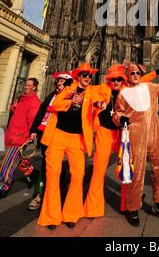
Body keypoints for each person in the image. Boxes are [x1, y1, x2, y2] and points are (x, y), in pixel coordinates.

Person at [83, 62, 159, 218]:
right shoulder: (102, 88)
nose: (116, 82)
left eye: (119, 79)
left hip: (123, 133)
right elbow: (89, 90)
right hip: (105, 133)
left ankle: (127, 204)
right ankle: (92, 208)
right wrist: (97, 103)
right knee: (98, 170)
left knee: (127, 169)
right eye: (113, 79)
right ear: (109, 80)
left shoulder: (126, 88)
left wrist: (157, 72)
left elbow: (143, 79)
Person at [113, 64, 159, 227]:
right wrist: (121, 118)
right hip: (135, 135)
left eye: (138, 73)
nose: (136, 75)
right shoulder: (123, 93)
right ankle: (133, 207)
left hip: (154, 133)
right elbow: (117, 112)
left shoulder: (149, 87)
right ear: (128, 76)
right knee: (136, 173)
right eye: (132, 73)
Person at [37, 63, 99, 230]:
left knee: (78, 175)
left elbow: (99, 99)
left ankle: (71, 214)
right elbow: (55, 104)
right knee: (53, 174)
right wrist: (71, 101)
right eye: (85, 74)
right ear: (78, 76)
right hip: (58, 134)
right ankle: (51, 216)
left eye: (90, 75)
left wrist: (101, 104)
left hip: (77, 138)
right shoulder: (68, 88)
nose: (87, 77)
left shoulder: (92, 91)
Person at [27, 71, 73, 210]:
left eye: (63, 82)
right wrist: (34, 129)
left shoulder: (70, 98)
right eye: (58, 81)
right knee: (46, 162)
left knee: (48, 163)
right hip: (44, 133)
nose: (59, 83)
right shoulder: (51, 96)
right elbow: (41, 113)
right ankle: (55, 185)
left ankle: (41, 194)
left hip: (57, 134)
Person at [0, 78, 41, 198]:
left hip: (21, 137)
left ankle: (3, 186)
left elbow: (32, 122)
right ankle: (31, 173)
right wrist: (14, 106)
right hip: (13, 132)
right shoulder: (22, 97)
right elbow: (15, 109)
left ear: (34, 87)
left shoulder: (34, 102)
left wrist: (29, 138)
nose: (26, 87)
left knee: (8, 162)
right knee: (19, 160)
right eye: (26, 85)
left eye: (29, 85)